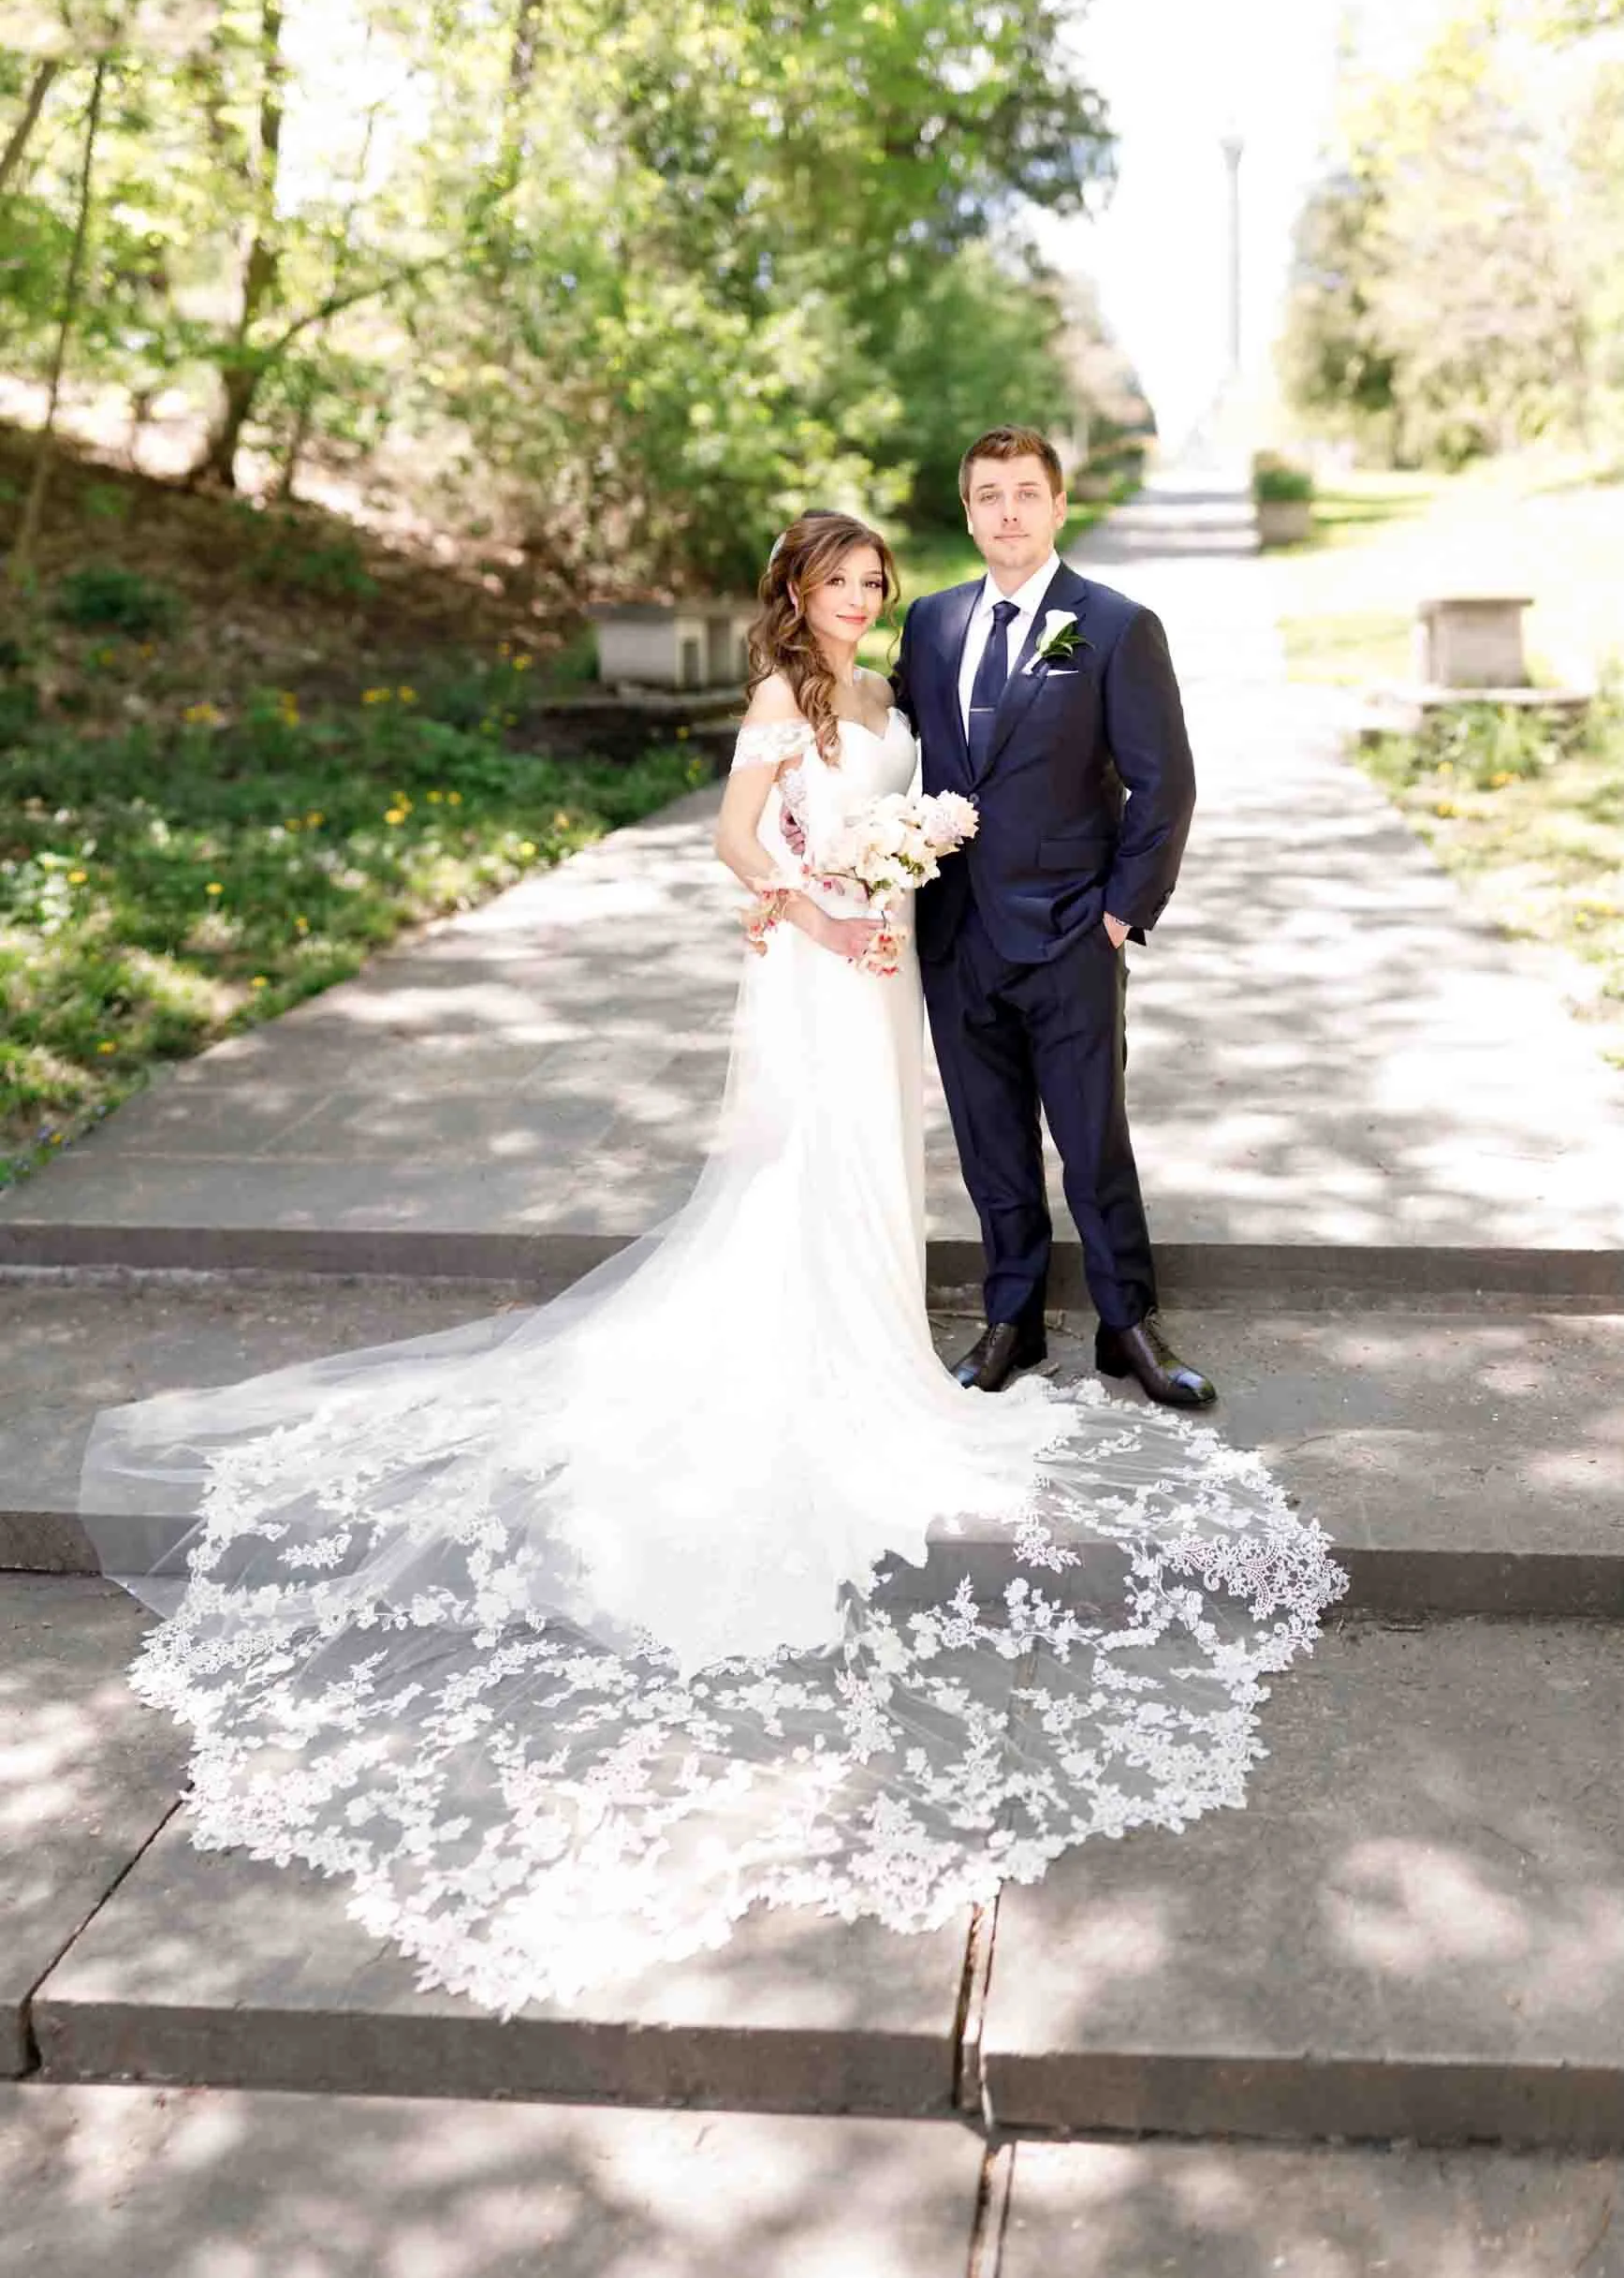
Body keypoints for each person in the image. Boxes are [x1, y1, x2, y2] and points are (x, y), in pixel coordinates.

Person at [78, 509, 1342, 2015]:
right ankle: (831, 1361)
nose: (864, 599)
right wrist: (810, 903)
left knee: (891, 1166)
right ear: (792, 594)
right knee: (808, 1177)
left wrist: (913, 881)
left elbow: (978, 795)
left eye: (876, 579)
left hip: (892, 968)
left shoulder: (897, 691)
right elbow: (738, 840)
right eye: (838, 581)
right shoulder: (779, 701)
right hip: (821, 969)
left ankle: (936, 1330)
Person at [892, 424, 1215, 1410]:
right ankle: (1012, 1320)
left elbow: (1165, 786)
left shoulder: (1114, 625)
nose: (1007, 512)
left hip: (1074, 932)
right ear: (967, 510)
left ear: (1058, 504)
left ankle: (1127, 1325)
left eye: (1025, 493)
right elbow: (899, 743)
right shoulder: (931, 623)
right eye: (987, 494)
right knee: (990, 1145)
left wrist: (1120, 914)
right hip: (956, 936)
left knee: (1091, 1139)